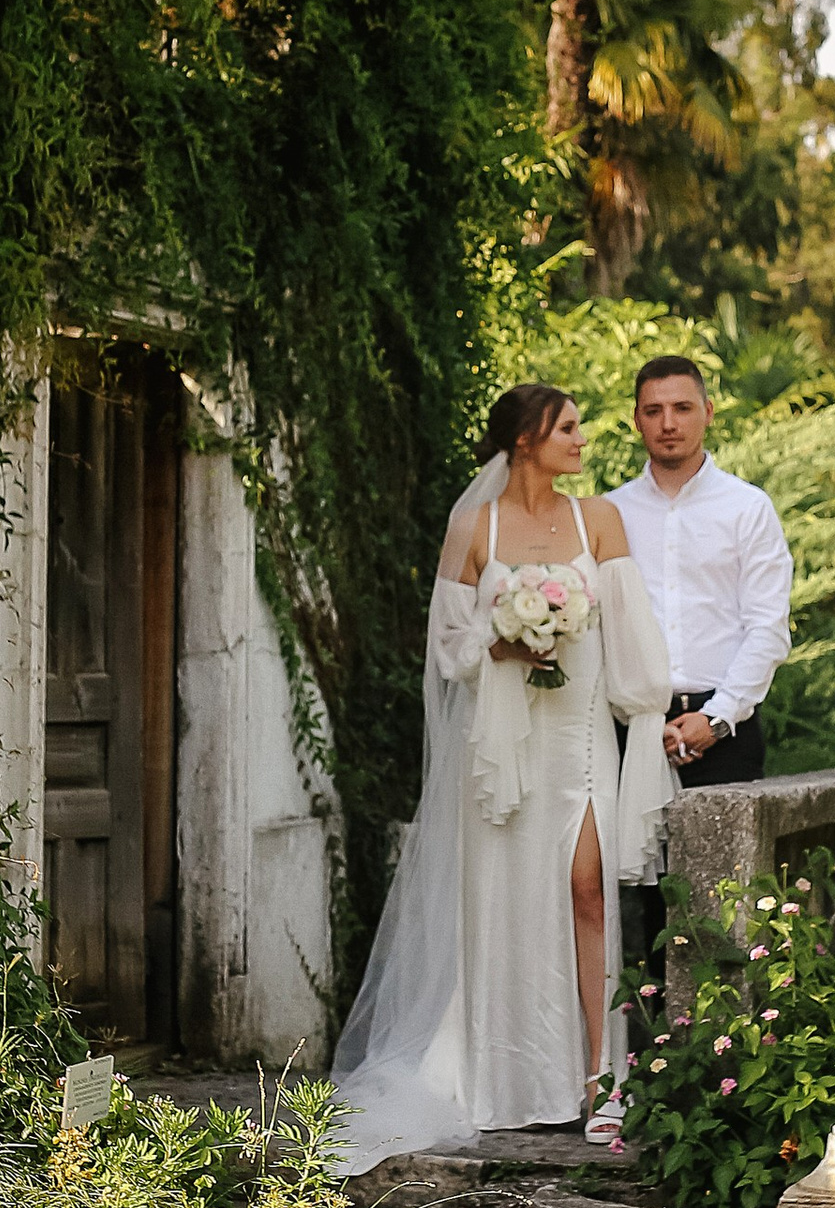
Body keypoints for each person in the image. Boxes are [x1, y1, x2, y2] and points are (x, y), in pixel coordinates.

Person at [331, 381, 675, 1166]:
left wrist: (647, 715)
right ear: (525, 439)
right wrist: (503, 640)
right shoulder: (473, 525)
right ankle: (503, 1079)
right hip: (501, 748)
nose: (581, 440)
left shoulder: (600, 518)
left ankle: (603, 1080)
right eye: (568, 428)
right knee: (500, 902)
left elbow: (630, 629)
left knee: (587, 892)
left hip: (581, 740)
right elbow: (447, 644)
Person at [608, 357, 794, 788]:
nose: (668, 423)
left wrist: (716, 718)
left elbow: (767, 628)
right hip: (630, 732)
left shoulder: (747, 508)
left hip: (728, 734)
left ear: (708, 412)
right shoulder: (611, 513)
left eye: (682, 408)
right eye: (653, 411)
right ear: (636, 419)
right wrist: (639, 719)